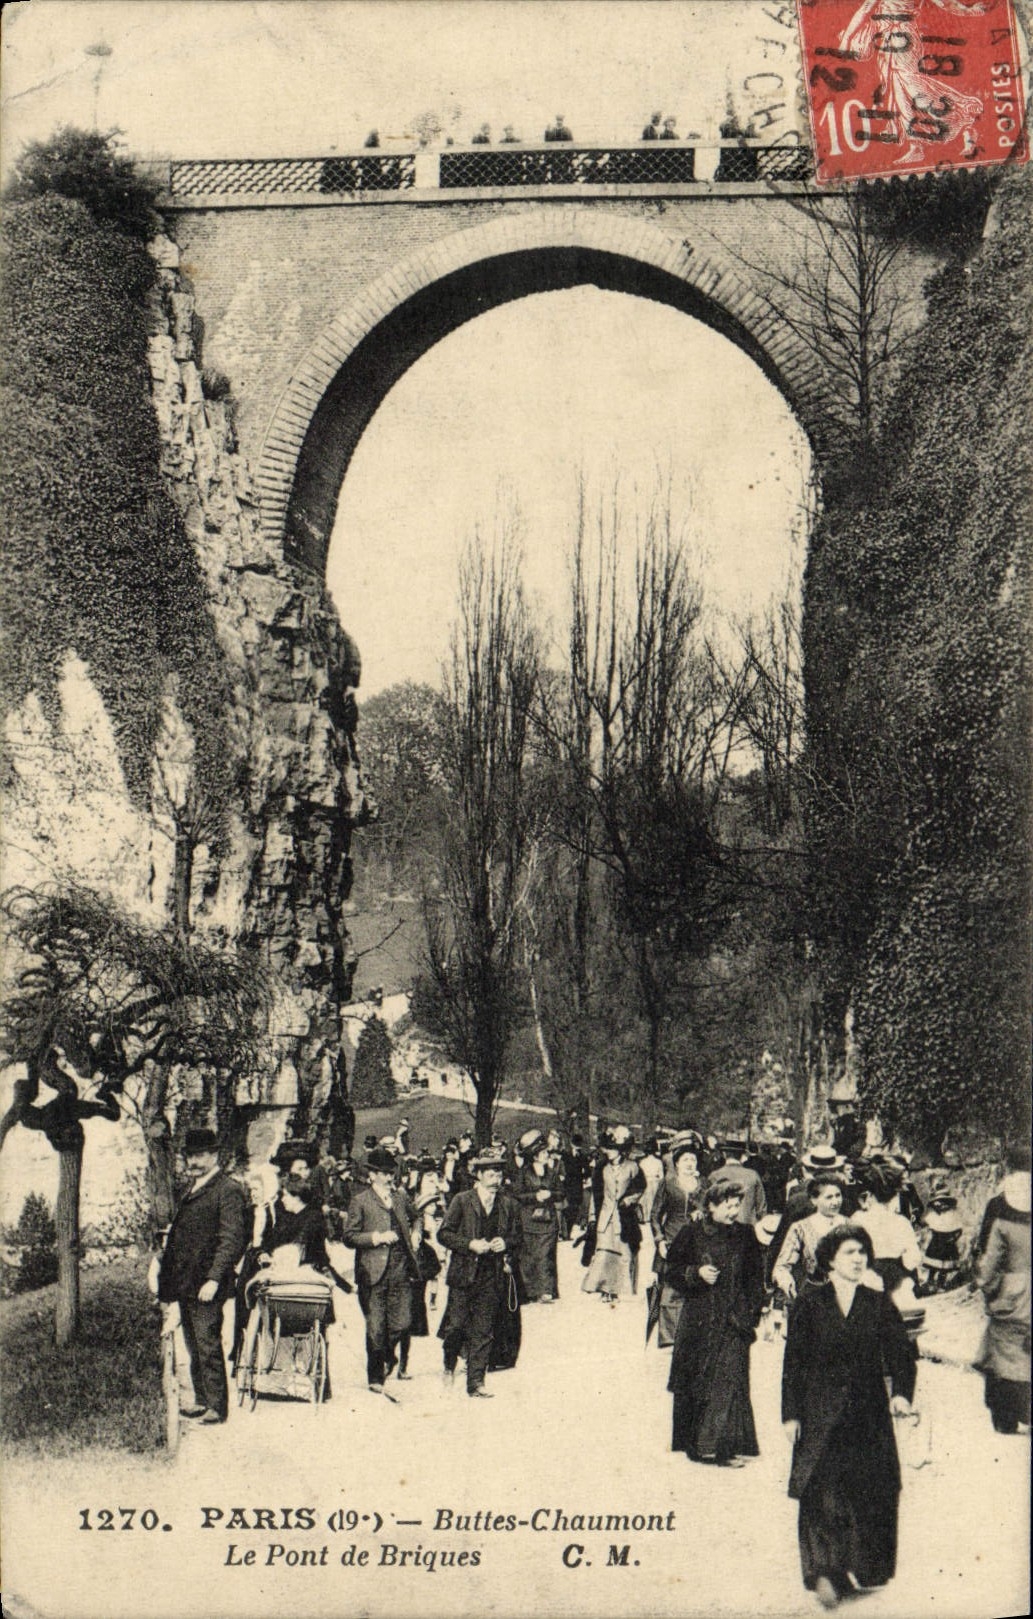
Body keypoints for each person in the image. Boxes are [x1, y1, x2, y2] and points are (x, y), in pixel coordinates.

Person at [782, 1224, 916, 1609]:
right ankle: (824, 1570)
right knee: (820, 1490)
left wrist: (902, 1395)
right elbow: (793, 1365)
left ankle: (857, 1566)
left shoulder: (878, 1303)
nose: (858, 1260)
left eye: (862, 1253)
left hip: (868, 1413)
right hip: (819, 1414)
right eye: (849, 1253)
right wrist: (791, 1415)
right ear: (829, 1260)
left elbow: (900, 1356)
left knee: (870, 1488)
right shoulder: (808, 1305)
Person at [666, 1182, 765, 1466]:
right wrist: (695, 1273)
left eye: (737, 1205)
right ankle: (699, 1445)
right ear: (711, 1206)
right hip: (700, 1320)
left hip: (734, 1320)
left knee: (728, 1381)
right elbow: (669, 1270)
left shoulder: (745, 1235)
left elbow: (756, 1278)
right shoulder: (692, 1233)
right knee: (701, 1380)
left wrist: (750, 1313)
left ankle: (719, 1447)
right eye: (728, 1205)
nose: (734, 1211)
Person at [157, 1127, 248, 1425]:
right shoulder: (195, 1188)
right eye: (189, 1156)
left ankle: (217, 1407)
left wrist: (214, 1279)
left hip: (207, 1283)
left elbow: (231, 1239)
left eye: (199, 1156)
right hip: (187, 1282)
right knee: (194, 1344)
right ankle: (201, 1400)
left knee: (207, 1344)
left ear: (214, 1155)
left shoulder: (228, 1189)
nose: (193, 1162)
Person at [437, 1150, 523, 1397]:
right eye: (491, 1173)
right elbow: (444, 1234)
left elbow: (518, 1237)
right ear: (479, 1175)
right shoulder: (462, 1201)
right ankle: (448, 1364)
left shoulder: (509, 1204)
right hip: (463, 1274)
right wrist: (469, 1244)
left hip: (492, 1274)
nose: (496, 1178)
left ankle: (476, 1383)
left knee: (484, 1329)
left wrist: (504, 1243)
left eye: (499, 1172)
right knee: (455, 1327)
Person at [343, 1147, 421, 1393]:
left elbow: (416, 1216)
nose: (390, 1178)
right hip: (372, 1270)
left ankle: (389, 1355)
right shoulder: (360, 1201)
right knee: (376, 1325)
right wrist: (376, 1237)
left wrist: (417, 1232)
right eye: (385, 1174)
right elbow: (349, 1236)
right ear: (372, 1175)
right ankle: (375, 1377)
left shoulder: (400, 1197)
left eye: (392, 1173)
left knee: (402, 1322)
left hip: (400, 1268)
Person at [975, 1142, 1030, 1434]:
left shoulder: (999, 1204)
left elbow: (990, 1256)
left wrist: (987, 1287)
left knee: (1005, 1350)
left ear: (1007, 1165)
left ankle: (1006, 1416)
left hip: (1011, 1289)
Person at [581, 1126, 646, 1304]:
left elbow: (640, 1187)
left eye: (612, 1149)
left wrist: (630, 1200)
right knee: (604, 1253)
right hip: (605, 1216)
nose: (608, 1152)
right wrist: (592, 1217)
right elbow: (596, 1195)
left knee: (622, 1252)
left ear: (620, 1150)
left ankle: (618, 1289)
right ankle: (604, 1288)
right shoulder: (602, 1169)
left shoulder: (632, 1167)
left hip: (623, 1217)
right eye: (607, 1148)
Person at [651, 1140, 703, 1346]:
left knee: (694, 1287)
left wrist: (702, 1212)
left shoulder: (703, 1185)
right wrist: (659, 1240)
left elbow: (711, 1209)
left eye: (693, 1159)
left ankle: (690, 1335)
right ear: (677, 1163)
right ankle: (670, 1337)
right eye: (685, 1160)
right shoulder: (668, 1183)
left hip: (696, 1242)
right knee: (670, 1289)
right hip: (672, 1240)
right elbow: (655, 1215)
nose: (690, 1163)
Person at [772, 1177, 848, 1305]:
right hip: (812, 1294)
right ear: (814, 1200)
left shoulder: (850, 1225)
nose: (835, 1202)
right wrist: (786, 1280)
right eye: (829, 1197)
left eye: (838, 1196)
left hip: (844, 1295)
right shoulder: (801, 1228)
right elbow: (782, 1265)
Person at [853, 1164, 925, 1299]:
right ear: (894, 1195)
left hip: (866, 1277)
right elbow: (914, 1258)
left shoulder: (858, 1219)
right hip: (896, 1280)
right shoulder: (901, 1222)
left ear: (869, 1194)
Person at [511, 1137, 565, 1302]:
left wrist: (550, 1195)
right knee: (529, 1256)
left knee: (546, 1255)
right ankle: (530, 1291)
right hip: (528, 1220)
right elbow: (517, 1194)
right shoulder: (523, 1173)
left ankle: (546, 1290)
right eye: (543, 1152)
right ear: (534, 1155)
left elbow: (561, 1193)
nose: (546, 1155)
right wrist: (535, 1196)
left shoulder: (552, 1173)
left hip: (548, 1220)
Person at [708, 1138, 767, 1225]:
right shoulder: (753, 1175)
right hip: (747, 1226)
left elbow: (708, 1206)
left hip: (721, 1228)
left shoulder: (714, 1176)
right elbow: (761, 1208)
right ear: (742, 1156)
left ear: (724, 1154)